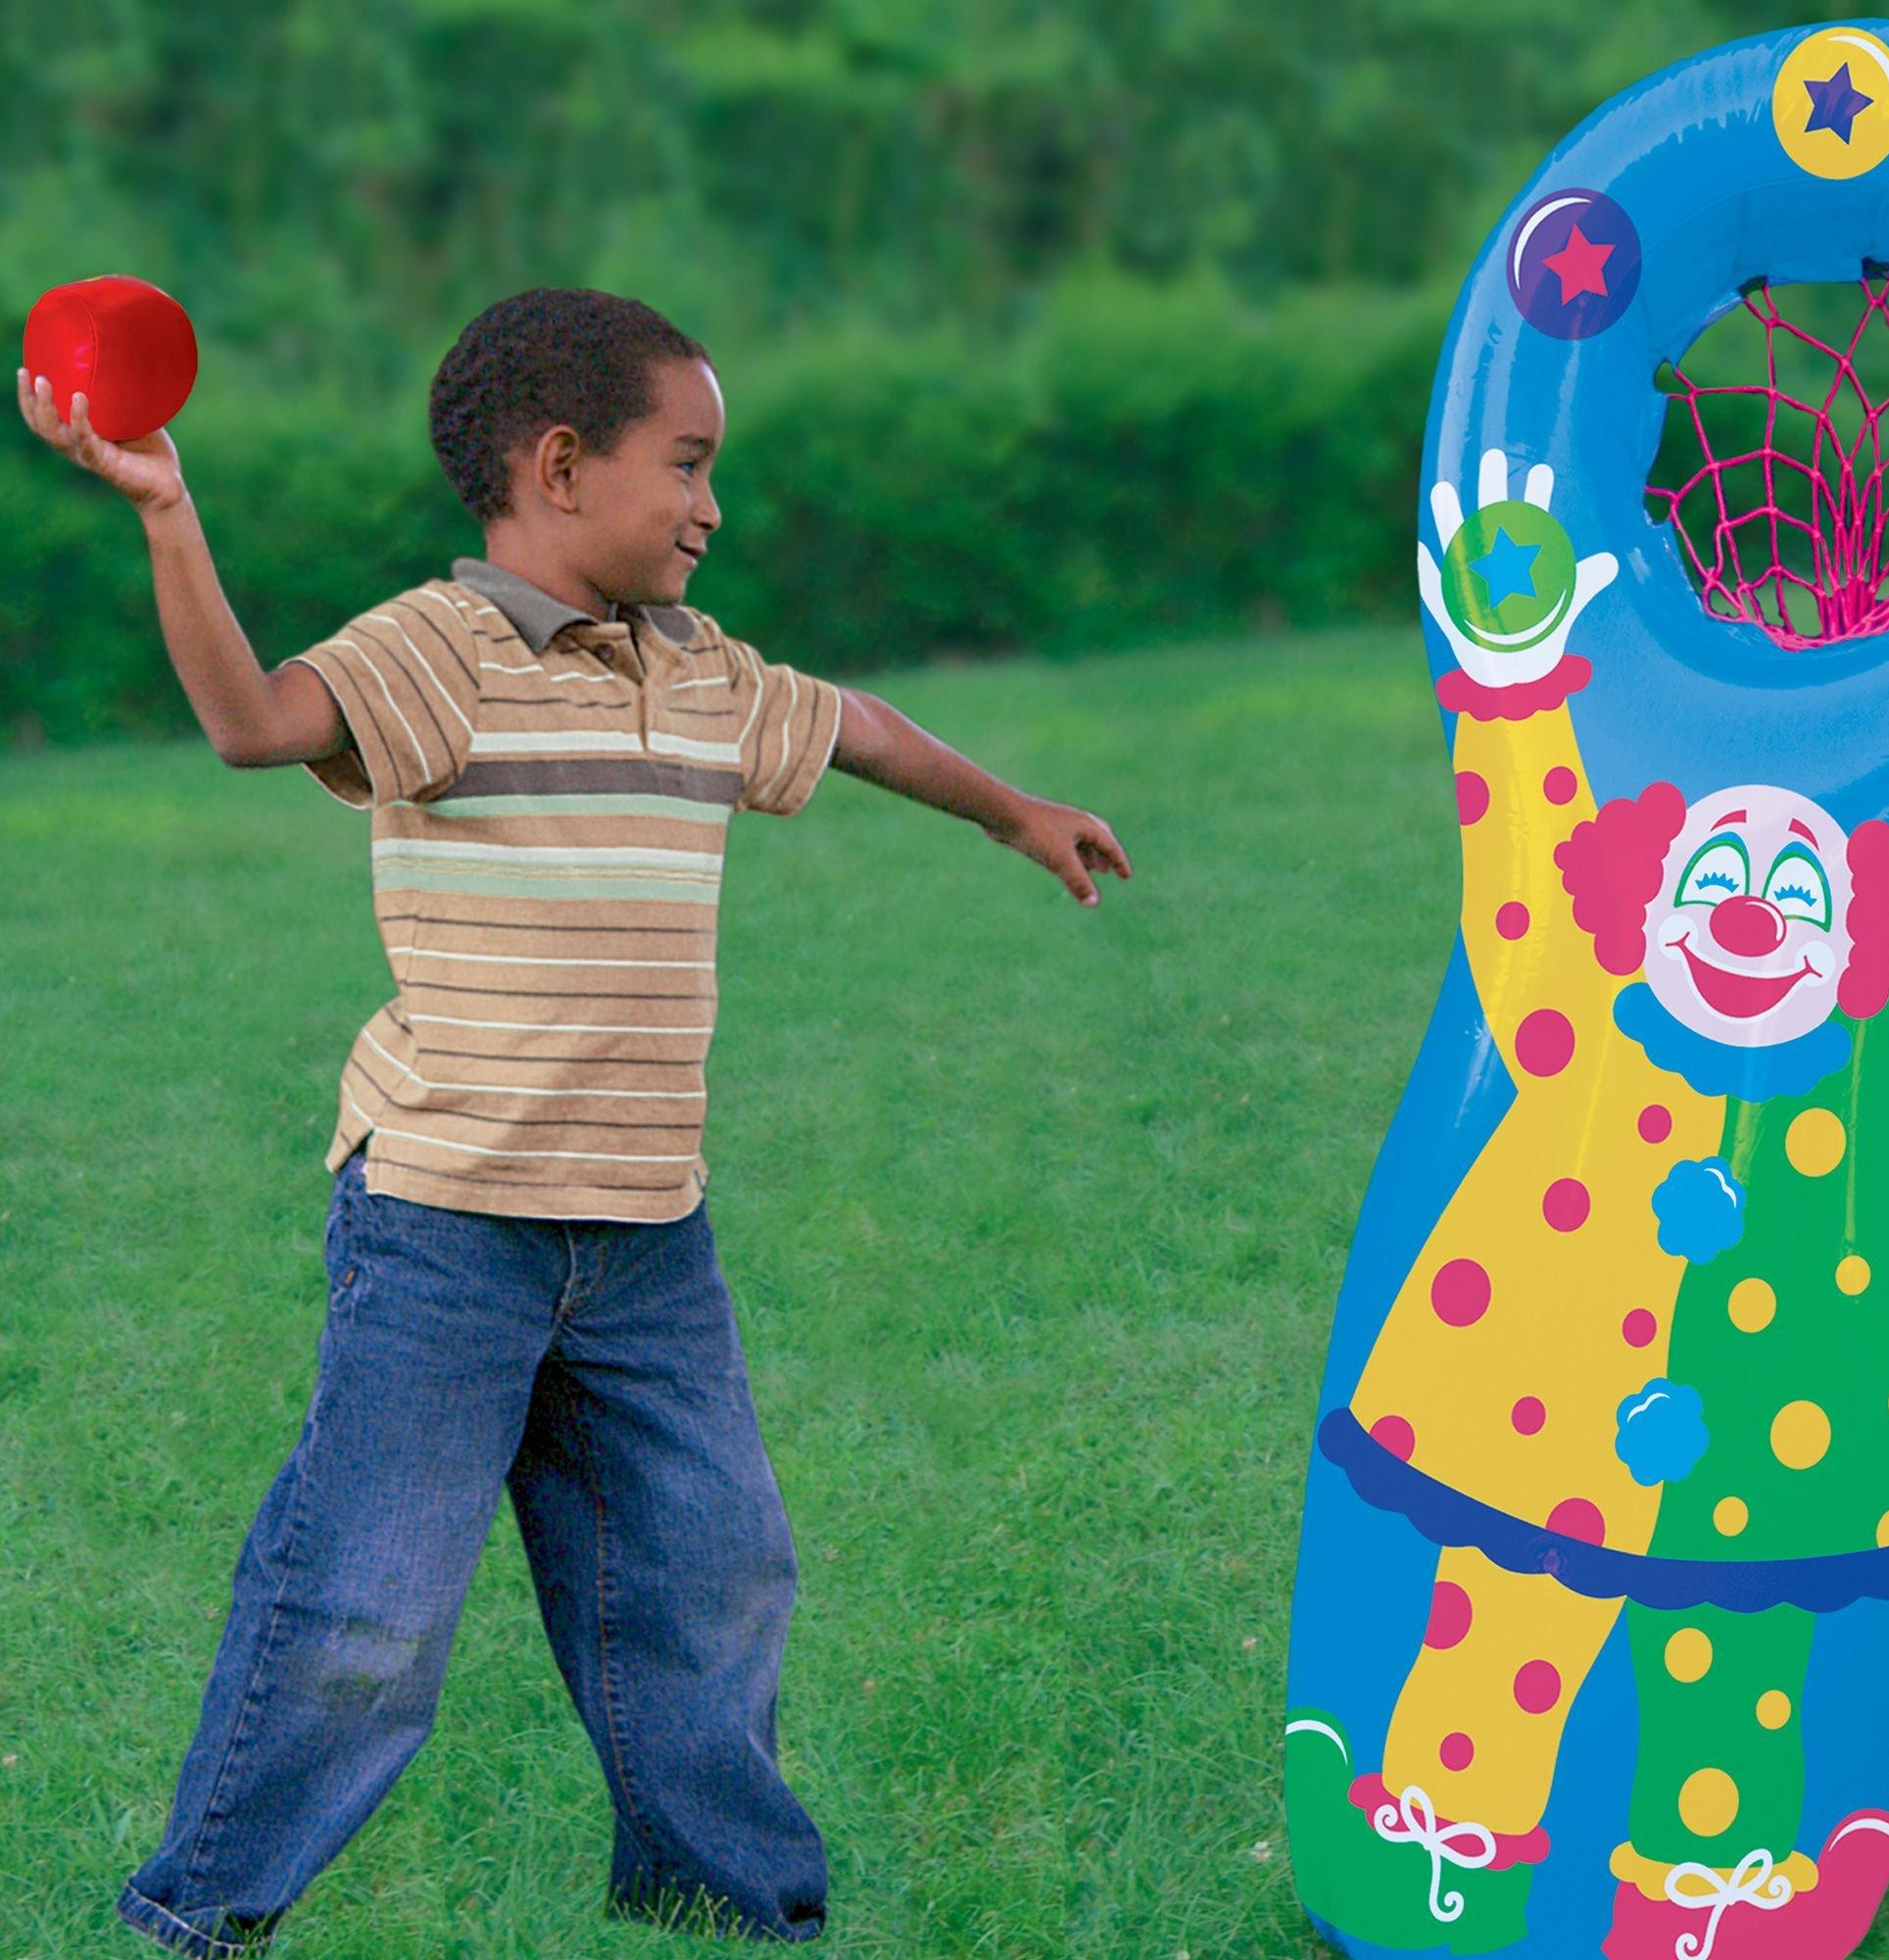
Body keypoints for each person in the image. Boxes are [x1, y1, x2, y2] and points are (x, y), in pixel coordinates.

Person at [17, 285, 1131, 1956]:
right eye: (685, 466)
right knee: (365, 1617)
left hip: (647, 1237)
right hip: (449, 1221)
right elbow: (254, 725)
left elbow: (861, 727)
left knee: (712, 1579)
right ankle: (197, 1911)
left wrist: (1013, 813)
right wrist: (169, 512)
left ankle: (722, 1898)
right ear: (558, 465)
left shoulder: (700, 673)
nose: (712, 506)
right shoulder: (431, 654)